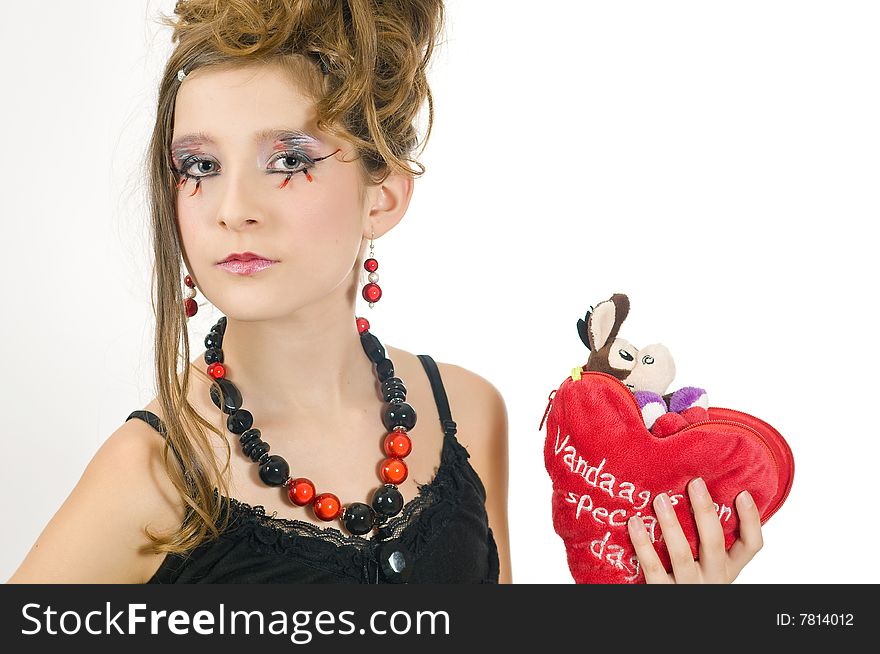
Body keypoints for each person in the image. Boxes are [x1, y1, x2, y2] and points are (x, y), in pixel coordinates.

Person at [7, 0, 509, 584]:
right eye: (199, 166)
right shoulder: (153, 472)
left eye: (288, 160)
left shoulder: (469, 415)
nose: (234, 209)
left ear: (383, 197)